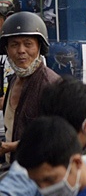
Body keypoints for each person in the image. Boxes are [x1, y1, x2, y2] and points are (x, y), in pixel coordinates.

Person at [1, 12, 63, 154]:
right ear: (6, 49)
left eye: (28, 44)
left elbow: (56, 136)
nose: (21, 51)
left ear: (39, 47)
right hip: (13, 163)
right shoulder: (13, 81)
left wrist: (10, 147)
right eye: (14, 45)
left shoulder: (51, 85)